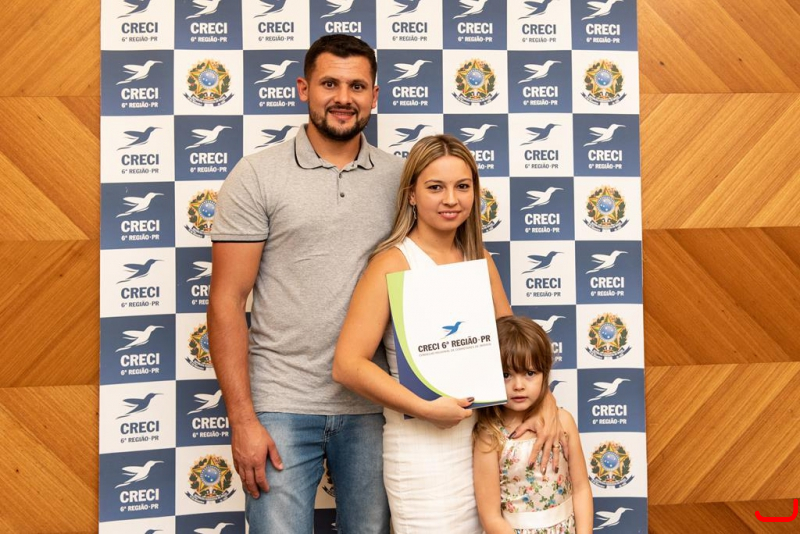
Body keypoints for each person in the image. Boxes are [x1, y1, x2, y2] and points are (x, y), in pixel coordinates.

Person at [208, 34, 403, 533]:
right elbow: (227, 300)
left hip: (374, 403)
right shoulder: (257, 175)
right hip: (280, 403)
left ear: (375, 96)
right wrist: (242, 419)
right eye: (329, 84)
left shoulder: (402, 179)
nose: (344, 98)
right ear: (303, 89)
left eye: (357, 86)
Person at [332, 135, 563, 533]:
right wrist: (424, 408)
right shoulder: (392, 263)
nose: (451, 199)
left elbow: (514, 353)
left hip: (486, 442)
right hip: (422, 453)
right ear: (411, 195)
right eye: (436, 187)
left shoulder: (479, 260)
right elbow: (347, 365)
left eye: (462, 186)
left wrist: (547, 403)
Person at [473, 315, 593, 534]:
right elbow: (490, 517)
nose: (518, 385)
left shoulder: (563, 421)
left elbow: (581, 488)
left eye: (530, 373)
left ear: (545, 373)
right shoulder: (490, 436)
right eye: (506, 375)